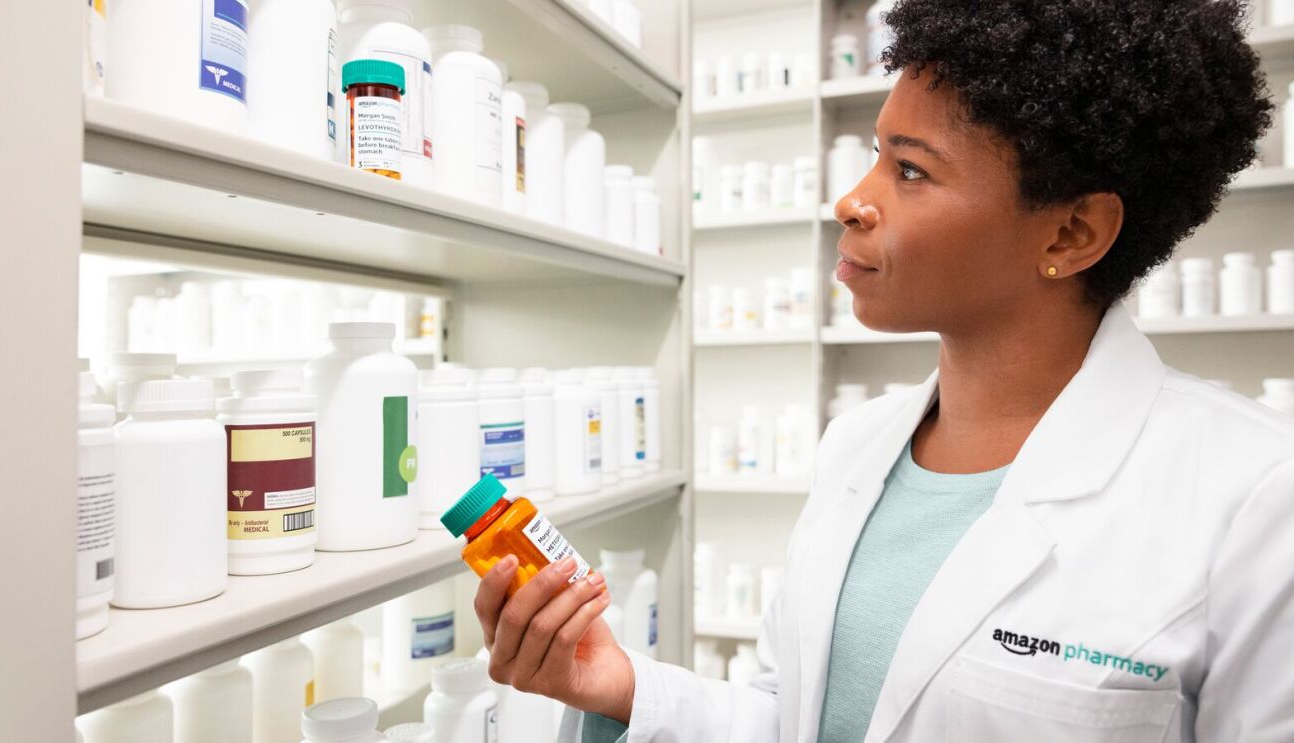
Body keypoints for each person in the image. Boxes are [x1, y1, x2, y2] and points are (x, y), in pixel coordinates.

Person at [473, 1, 1294, 740]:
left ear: (1071, 233)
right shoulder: (857, 446)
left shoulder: (1252, 494)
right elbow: (794, 715)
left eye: (910, 169)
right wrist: (623, 689)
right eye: (876, 154)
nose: (852, 201)